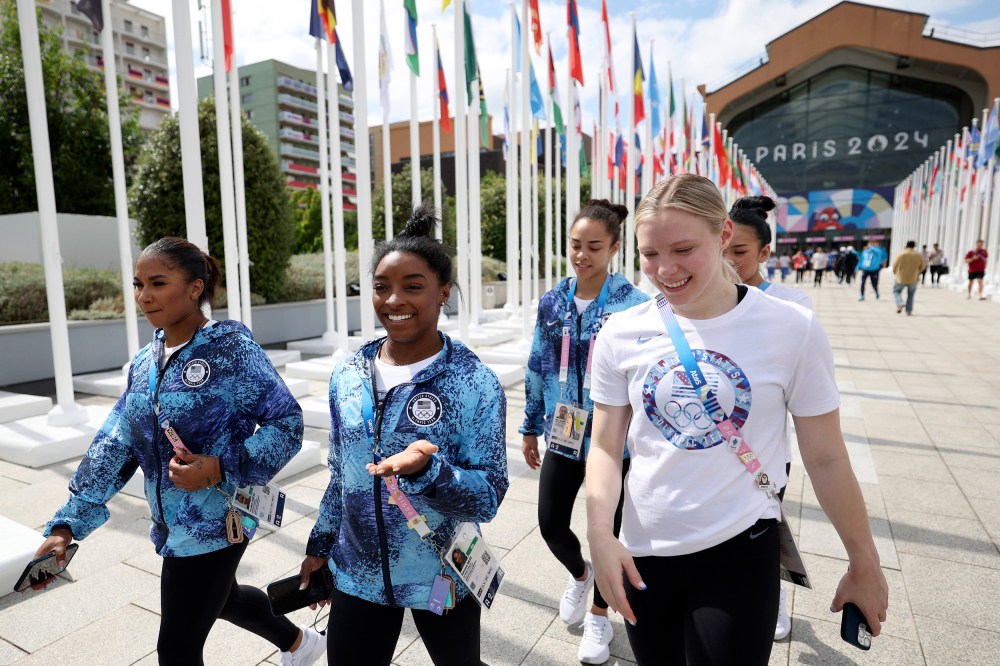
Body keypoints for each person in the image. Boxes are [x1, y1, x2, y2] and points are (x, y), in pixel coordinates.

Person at [584, 174, 888, 665]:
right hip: (643, 553)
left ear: (724, 233)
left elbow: (827, 457)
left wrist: (864, 560)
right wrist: (600, 533)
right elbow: (603, 445)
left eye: (684, 250)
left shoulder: (791, 328)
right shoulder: (621, 332)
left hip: (739, 549)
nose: (665, 270)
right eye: (650, 254)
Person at [32, 237, 318, 666]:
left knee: (176, 649)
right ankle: (301, 644)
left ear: (195, 287)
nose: (144, 296)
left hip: (216, 523)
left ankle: (300, 644)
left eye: (158, 283)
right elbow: (116, 442)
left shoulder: (231, 351)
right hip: (170, 525)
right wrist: (67, 525)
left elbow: (286, 423)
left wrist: (220, 467)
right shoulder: (144, 362)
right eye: (138, 284)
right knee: (224, 599)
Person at [298, 206, 509, 666]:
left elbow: (489, 495)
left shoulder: (473, 383)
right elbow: (341, 474)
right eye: (381, 287)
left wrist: (429, 472)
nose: (394, 300)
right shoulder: (348, 375)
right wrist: (320, 545)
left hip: (441, 570)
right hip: (358, 573)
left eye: (413, 286)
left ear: (443, 291)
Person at [520, 200, 650, 664]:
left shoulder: (635, 305)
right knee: (551, 525)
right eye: (576, 245)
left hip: (615, 442)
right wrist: (529, 426)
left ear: (614, 248)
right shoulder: (552, 302)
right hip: (564, 431)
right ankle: (580, 574)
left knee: (610, 532)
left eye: (594, 246)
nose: (582, 254)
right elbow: (537, 364)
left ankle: (599, 616)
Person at [726, 194, 812, 641]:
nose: (729, 260)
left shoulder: (791, 305)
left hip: (763, 449)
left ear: (764, 252)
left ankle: (772, 599)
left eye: (740, 251)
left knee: (763, 527)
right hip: (709, 443)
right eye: (722, 249)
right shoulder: (699, 299)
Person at [892, 240, 927, 315]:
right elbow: (923, 266)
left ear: (906, 245)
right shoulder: (918, 255)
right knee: (911, 295)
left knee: (896, 291)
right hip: (913, 278)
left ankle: (900, 303)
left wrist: (895, 272)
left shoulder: (901, 254)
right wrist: (918, 272)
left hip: (901, 277)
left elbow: (895, 265)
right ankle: (908, 311)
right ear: (914, 246)